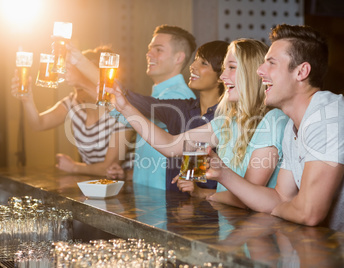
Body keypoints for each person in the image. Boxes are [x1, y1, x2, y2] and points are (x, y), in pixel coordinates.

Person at [205, 24, 344, 245]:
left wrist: (280, 208)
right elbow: (281, 197)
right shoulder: (293, 128)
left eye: (271, 63)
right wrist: (222, 173)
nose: (260, 71)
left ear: (301, 72)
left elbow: (309, 212)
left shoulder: (329, 115)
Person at [106, 38, 289, 208]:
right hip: (229, 231)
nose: (223, 76)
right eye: (224, 68)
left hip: (256, 235)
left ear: (251, 72)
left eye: (231, 68)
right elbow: (170, 145)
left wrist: (210, 195)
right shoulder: (228, 122)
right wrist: (124, 108)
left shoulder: (273, 119)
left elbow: (248, 197)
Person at [106, 40, 229, 192]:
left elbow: (233, 187)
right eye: (195, 60)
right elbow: (146, 104)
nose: (192, 66)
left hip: (215, 213)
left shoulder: (227, 119)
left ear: (221, 76)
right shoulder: (185, 108)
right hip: (179, 207)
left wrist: (200, 192)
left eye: (203, 63)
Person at [11, 47, 134, 177]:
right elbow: (38, 124)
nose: (76, 82)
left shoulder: (119, 109)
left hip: (129, 187)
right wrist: (27, 99)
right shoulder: (73, 102)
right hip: (94, 184)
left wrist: (74, 167)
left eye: (83, 75)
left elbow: (109, 168)